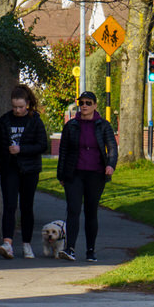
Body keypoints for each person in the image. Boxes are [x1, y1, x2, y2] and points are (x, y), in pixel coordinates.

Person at [0, 85, 50, 259]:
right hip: (9, 168)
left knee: (26, 206)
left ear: (27, 104)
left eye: (21, 107)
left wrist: (22, 149)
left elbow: (43, 145)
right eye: (14, 107)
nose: (18, 110)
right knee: (9, 205)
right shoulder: (4, 121)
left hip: (30, 169)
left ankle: (27, 244)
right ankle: (8, 243)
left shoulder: (35, 120)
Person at [55, 91, 118, 262]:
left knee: (91, 211)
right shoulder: (71, 126)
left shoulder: (103, 125)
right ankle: (70, 249)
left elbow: (112, 147)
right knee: (73, 210)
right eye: (82, 102)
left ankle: (91, 251)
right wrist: (61, 174)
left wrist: (110, 165)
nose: (84, 106)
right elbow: (63, 151)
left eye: (88, 103)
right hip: (74, 173)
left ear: (95, 106)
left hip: (95, 174)